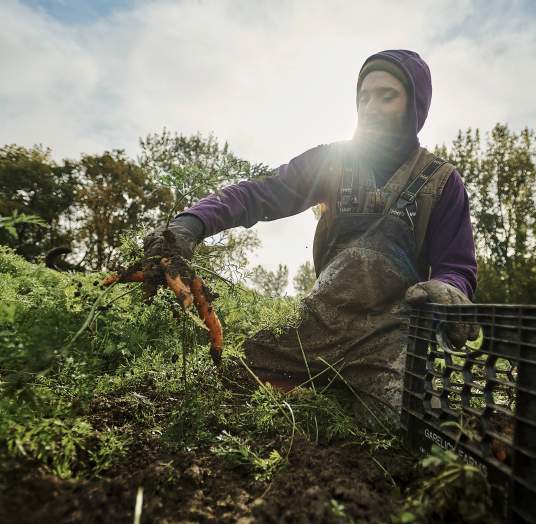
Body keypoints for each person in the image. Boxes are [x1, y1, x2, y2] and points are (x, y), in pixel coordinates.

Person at [145, 49, 478, 425]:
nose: (370, 106)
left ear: (415, 105)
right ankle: (330, 385)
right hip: (318, 326)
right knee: (234, 380)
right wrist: (190, 225)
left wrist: (448, 288)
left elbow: (457, 266)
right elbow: (259, 193)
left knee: (399, 420)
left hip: (392, 335)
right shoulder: (332, 161)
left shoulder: (441, 181)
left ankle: (362, 393)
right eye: (363, 96)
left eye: (387, 96)